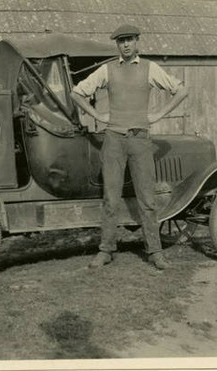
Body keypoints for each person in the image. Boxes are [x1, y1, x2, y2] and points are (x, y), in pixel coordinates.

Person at [71, 24, 188, 270]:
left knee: (146, 198)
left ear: (137, 41)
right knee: (110, 198)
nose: (125, 45)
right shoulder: (107, 69)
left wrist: (159, 114)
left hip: (140, 140)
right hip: (113, 139)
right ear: (117, 44)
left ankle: (155, 252)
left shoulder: (149, 68)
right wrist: (97, 115)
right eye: (121, 41)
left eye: (129, 40)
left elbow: (181, 90)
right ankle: (106, 250)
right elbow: (77, 93)